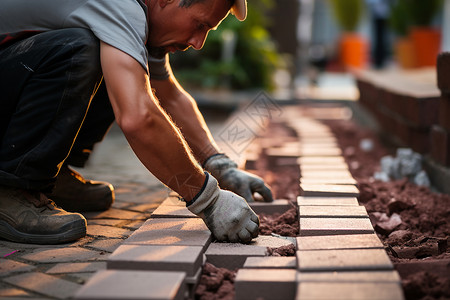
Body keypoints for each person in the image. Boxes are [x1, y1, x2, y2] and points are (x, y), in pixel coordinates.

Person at [0, 0, 273, 245]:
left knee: (124, 67)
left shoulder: (140, 21)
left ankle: (51, 174)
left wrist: (219, 164)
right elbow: (138, 118)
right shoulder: (121, 6)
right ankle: (12, 189)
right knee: (83, 49)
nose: (199, 42)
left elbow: (171, 97)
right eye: (200, 25)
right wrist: (209, 200)